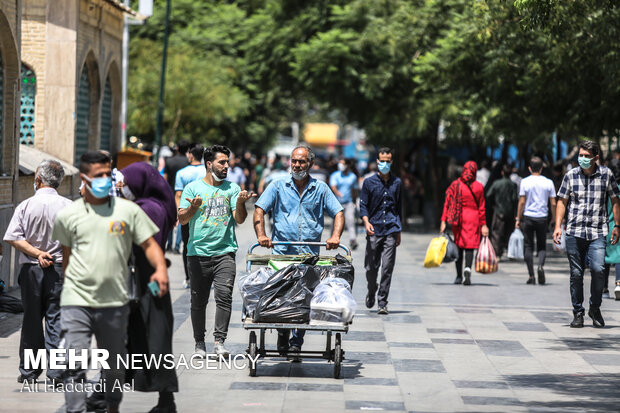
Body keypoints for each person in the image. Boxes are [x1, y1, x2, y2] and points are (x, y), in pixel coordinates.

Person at [52, 151, 169, 413]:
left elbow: (150, 244)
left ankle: (112, 406)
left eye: (109, 174)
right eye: (99, 175)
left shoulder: (128, 211)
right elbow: (66, 260)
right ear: (85, 178)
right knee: (75, 360)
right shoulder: (68, 215)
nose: (106, 179)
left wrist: (160, 269)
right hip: (77, 301)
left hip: (114, 301)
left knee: (114, 366)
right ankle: (75, 410)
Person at [254, 145, 344, 357]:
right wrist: (261, 235)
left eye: (302, 162)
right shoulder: (277, 186)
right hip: (282, 253)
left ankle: (297, 340)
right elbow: (260, 209)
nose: (297, 165)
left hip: (309, 253)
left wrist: (335, 236)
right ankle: (282, 333)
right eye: (294, 161)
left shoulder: (320, 188)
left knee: (305, 298)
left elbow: (338, 213)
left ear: (310, 164)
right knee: (282, 296)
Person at [179, 145, 255, 358]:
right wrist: (193, 208)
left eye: (228, 162)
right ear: (209, 164)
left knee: (224, 297)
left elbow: (239, 219)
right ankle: (199, 344)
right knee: (198, 301)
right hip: (197, 253)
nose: (226, 166)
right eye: (222, 162)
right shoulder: (193, 188)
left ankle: (219, 342)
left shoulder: (232, 189)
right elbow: (182, 218)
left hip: (225, 253)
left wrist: (240, 203)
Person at [3, 160, 72, 385]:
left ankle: (29, 373)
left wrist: (37, 253)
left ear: (38, 178)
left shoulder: (25, 205)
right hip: (60, 270)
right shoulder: (69, 207)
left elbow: (13, 238)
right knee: (56, 320)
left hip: (31, 271)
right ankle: (56, 374)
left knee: (32, 320)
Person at [120, 162, 179, 413]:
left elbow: (145, 247)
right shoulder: (152, 205)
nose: (122, 188)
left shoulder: (148, 209)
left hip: (146, 283)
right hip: (147, 283)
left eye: (125, 183)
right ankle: (164, 400)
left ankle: (165, 401)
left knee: (148, 339)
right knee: (148, 340)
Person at [554, 140, 620, 328]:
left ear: (595, 158)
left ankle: (595, 308)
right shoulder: (571, 176)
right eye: (580, 155)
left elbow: (615, 200)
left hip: (597, 232)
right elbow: (562, 202)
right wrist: (558, 226)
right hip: (574, 232)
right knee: (576, 273)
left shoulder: (606, 175)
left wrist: (617, 225)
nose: (582, 159)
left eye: (586, 156)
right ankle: (578, 312)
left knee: (599, 270)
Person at [360, 147, 402, 315]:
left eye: (387, 161)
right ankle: (372, 290)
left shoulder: (397, 183)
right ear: (377, 161)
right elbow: (363, 205)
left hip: (391, 229)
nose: (384, 164)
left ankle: (382, 301)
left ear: (391, 162)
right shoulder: (368, 182)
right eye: (382, 161)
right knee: (371, 267)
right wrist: (365, 222)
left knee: (387, 267)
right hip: (374, 229)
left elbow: (399, 207)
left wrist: (399, 230)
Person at [440, 161, 489, 286]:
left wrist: (443, 220)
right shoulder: (479, 186)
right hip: (474, 219)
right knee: (470, 246)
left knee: (459, 246)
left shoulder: (455, 185)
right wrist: (483, 224)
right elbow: (482, 207)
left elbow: (447, 203)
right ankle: (468, 268)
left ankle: (458, 276)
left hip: (458, 219)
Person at [516, 156, 556, 285]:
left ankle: (531, 275)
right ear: (542, 168)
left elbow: (522, 202)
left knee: (528, 246)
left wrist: (518, 217)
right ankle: (540, 266)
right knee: (541, 245)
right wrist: (554, 219)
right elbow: (553, 203)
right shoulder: (548, 182)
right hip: (542, 217)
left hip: (528, 217)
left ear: (529, 168)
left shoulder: (525, 182)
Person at [175, 144, 206, 288]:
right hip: (204, 214)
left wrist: (179, 213)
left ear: (190, 155)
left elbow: (179, 195)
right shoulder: (208, 171)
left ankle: (189, 277)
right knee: (204, 244)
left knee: (187, 246)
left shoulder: (182, 173)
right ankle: (204, 276)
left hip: (187, 214)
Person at [486, 164, 518, 258]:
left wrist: (493, 205)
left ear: (502, 173)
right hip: (510, 212)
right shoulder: (513, 185)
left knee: (496, 232)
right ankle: (508, 250)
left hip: (498, 211)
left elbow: (488, 195)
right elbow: (515, 198)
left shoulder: (496, 183)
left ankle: (497, 253)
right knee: (508, 232)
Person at [164, 140, 190, 252]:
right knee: (181, 219)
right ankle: (178, 245)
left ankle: (169, 245)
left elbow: (164, 178)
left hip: (170, 193)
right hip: (183, 194)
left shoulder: (169, 161)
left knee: (170, 218)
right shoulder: (188, 162)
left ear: (177, 148)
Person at [330, 158, 359, 250]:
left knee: (350, 221)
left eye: (343, 163)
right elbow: (333, 186)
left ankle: (353, 240)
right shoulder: (335, 175)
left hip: (349, 202)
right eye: (340, 163)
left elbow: (354, 190)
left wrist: (354, 200)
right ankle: (332, 238)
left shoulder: (353, 176)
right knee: (334, 222)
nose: (341, 165)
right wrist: (338, 193)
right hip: (337, 203)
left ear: (348, 165)